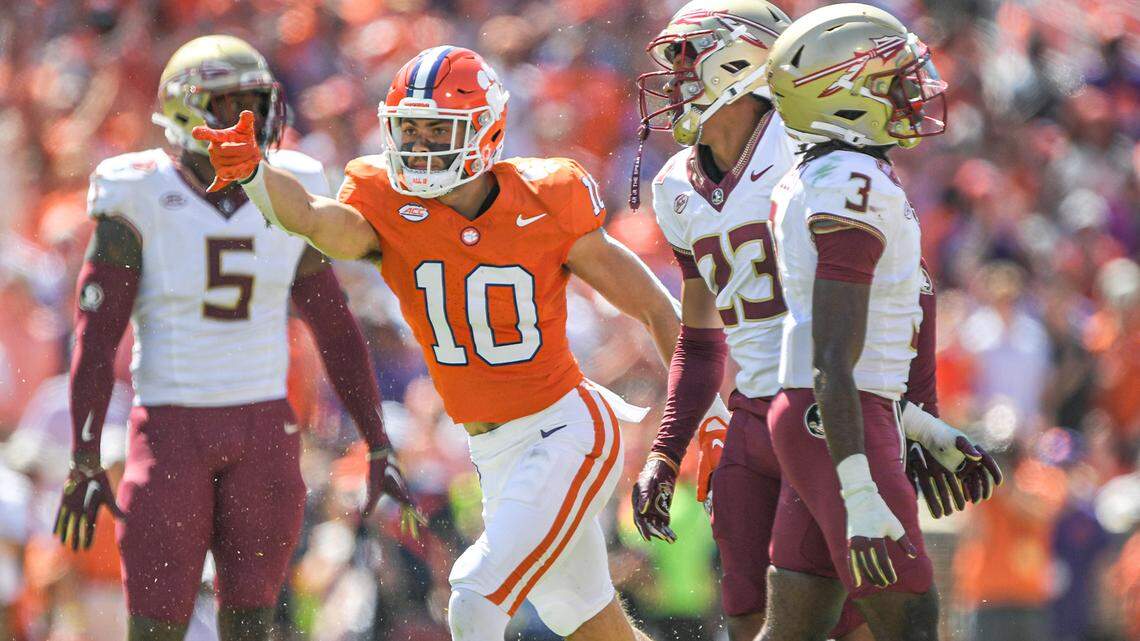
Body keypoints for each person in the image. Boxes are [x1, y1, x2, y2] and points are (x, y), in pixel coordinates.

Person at [191, 45, 683, 641]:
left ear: (486, 129)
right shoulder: (385, 202)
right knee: (582, 616)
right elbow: (316, 220)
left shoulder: (547, 197)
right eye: (409, 130)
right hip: (495, 452)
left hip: (567, 429)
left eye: (436, 130)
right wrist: (254, 175)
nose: (419, 146)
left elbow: (658, 307)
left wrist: (695, 419)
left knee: (475, 596)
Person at [629, 3, 999, 641]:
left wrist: (911, 413)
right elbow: (701, 335)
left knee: (862, 615)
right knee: (755, 616)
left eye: (689, 62)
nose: (673, 82)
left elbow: (906, 291)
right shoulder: (674, 188)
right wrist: (667, 447)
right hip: (765, 411)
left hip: (834, 406)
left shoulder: (809, 150)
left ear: (742, 61)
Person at [52, 35, 418, 641]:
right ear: (184, 112)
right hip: (172, 428)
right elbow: (95, 337)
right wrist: (83, 454)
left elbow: (335, 325)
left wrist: (376, 439)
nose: (247, 121)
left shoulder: (289, 188)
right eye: (229, 105)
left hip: (263, 431)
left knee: (253, 623)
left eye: (255, 103)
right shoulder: (138, 191)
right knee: (156, 626)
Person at [760, 5, 987, 640]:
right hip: (839, 419)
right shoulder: (850, 182)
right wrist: (860, 488)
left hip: (833, 413)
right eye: (894, 80)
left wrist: (920, 423)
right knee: (910, 623)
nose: (915, 93)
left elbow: (843, 353)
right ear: (845, 95)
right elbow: (830, 356)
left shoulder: (837, 175)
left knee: (794, 630)